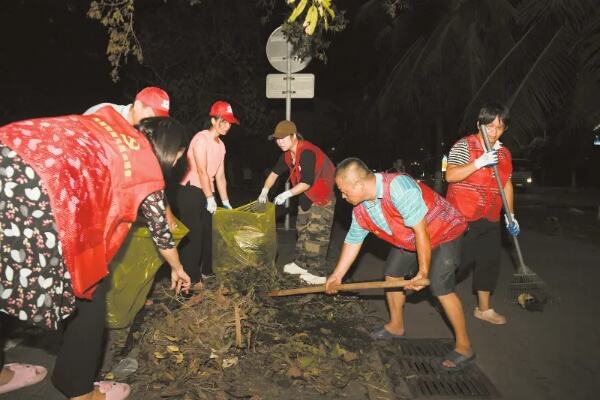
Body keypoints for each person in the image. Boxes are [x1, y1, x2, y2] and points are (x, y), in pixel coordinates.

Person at [0, 110, 191, 399]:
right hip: (33, 199)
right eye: (179, 156)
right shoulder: (144, 164)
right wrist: (177, 268)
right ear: (168, 150)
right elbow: (161, 231)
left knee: (3, 280)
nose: (178, 163)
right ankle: (77, 388)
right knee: (90, 293)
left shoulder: (108, 124)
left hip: (7, 151)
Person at [326, 158, 474, 371]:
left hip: (443, 231)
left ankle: (464, 346)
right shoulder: (360, 209)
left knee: (440, 286)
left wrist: (423, 272)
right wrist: (337, 276)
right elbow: (353, 240)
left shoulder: (398, 188)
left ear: (359, 185)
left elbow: (421, 230)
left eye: (344, 190)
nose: (342, 196)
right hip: (410, 238)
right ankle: (396, 326)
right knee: (392, 274)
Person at [445, 103, 518, 325]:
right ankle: (437, 288)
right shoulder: (463, 146)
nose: (493, 132)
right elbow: (450, 176)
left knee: (489, 261)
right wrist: (478, 162)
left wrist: (510, 214)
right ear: (479, 124)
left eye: (499, 127)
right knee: (461, 264)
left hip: (491, 217)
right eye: (489, 126)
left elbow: (506, 184)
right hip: (463, 217)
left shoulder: (504, 153)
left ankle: (484, 309)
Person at [258, 120, 336, 284]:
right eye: (277, 139)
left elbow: (307, 182)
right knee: (302, 230)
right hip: (306, 197)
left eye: (283, 138)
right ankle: (302, 264)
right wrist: (264, 191)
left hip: (322, 197)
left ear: (294, 135)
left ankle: (318, 272)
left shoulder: (307, 152)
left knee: (316, 234)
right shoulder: (287, 154)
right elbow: (273, 174)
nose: (280, 142)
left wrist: (286, 194)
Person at [175, 100, 239, 287]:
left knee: (209, 233)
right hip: (190, 190)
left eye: (229, 123)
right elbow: (202, 171)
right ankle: (192, 278)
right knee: (194, 235)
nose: (227, 126)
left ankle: (207, 270)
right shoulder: (201, 139)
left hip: (206, 191)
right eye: (223, 121)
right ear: (213, 120)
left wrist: (225, 201)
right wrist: (210, 198)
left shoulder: (221, 145)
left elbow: (220, 176)